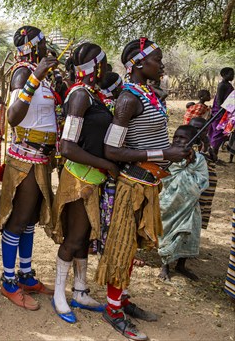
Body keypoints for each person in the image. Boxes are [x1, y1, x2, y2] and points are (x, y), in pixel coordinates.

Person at [98, 37, 191, 341]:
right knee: (122, 249)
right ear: (137, 63)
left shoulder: (149, 94)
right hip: (132, 185)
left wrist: (176, 149)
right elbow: (112, 149)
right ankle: (113, 311)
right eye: (158, 60)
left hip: (149, 183)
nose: (162, 65)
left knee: (133, 248)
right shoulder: (128, 99)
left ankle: (122, 299)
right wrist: (162, 154)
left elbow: (151, 141)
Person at [50, 42, 115, 323]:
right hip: (78, 179)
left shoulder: (92, 94)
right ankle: (58, 294)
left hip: (93, 179)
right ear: (96, 66)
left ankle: (79, 289)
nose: (108, 68)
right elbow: (66, 147)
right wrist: (107, 164)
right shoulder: (79, 96)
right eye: (105, 63)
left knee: (85, 236)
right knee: (74, 237)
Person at [0, 26, 57, 311]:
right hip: (25, 159)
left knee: (30, 220)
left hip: (43, 158)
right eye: (42, 42)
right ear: (33, 46)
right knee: (18, 220)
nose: (46, 45)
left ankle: (26, 275)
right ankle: (9, 281)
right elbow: (12, 117)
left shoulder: (43, 75)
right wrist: (35, 77)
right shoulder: (23, 73)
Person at [158, 125, 209, 281]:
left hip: (189, 205)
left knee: (187, 232)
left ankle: (181, 264)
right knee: (166, 232)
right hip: (167, 202)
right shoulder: (167, 155)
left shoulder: (199, 159)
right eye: (176, 137)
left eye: (183, 138)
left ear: (193, 141)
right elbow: (161, 176)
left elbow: (202, 181)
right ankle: (164, 265)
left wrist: (187, 167)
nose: (178, 140)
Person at [190, 117, 218, 229]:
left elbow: (214, 158)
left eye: (202, 129)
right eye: (195, 128)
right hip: (191, 183)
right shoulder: (185, 141)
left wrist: (207, 148)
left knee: (199, 210)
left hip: (207, 182)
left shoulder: (206, 142)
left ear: (206, 131)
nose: (198, 132)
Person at [208, 67, 234, 154]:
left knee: (220, 132)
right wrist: (222, 113)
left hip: (225, 111)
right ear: (224, 75)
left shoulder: (228, 85)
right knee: (218, 132)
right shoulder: (222, 85)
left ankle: (214, 153)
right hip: (219, 111)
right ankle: (213, 154)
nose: (233, 76)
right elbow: (219, 100)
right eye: (231, 74)